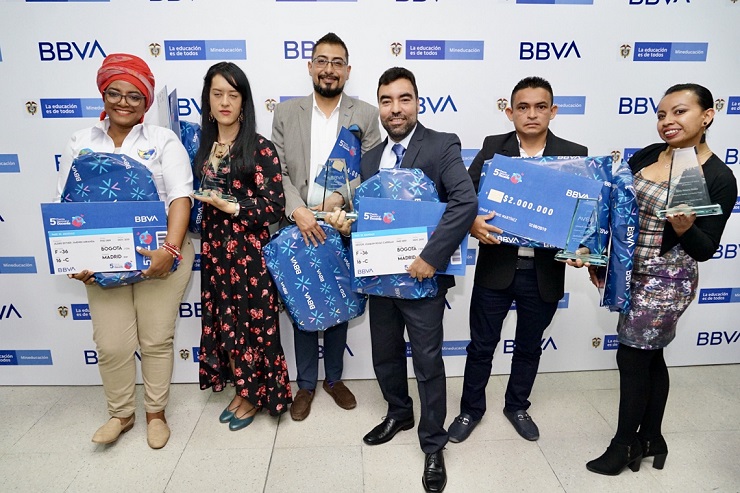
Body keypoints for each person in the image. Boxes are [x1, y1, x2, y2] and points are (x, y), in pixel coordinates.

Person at [329, 67, 477, 493]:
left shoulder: (442, 145)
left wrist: (431, 257)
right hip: (380, 279)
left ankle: (433, 444)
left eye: (404, 99)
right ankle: (399, 412)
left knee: (427, 363)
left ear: (417, 102)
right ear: (379, 106)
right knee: (386, 354)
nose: (395, 109)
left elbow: (464, 202)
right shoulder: (369, 159)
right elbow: (368, 219)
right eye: (387, 100)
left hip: (423, 280)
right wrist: (346, 225)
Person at [584, 83, 736, 475]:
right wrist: (595, 252)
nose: (668, 121)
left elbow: (705, 248)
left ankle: (624, 445)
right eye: (662, 114)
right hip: (629, 270)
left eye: (680, 112)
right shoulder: (650, 153)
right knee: (650, 356)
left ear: (707, 116)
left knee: (632, 356)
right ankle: (652, 437)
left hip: (667, 279)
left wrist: (685, 228)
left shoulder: (717, 175)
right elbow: (618, 208)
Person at [55, 53, 194, 449]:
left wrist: (170, 250)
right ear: (103, 94)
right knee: (112, 343)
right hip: (102, 260)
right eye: (115, 93)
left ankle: (155, 413)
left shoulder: (162, 140)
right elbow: (68, 202)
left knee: (155, 339)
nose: (123, 102)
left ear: (146, 102)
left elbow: (181, 197)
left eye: (134, 96)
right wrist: (73, 257)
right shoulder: (81, 141)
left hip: (160, 256)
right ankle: (121, 414)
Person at [448, 77, 588, 444]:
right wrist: (472, 222)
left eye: (540, 107)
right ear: (510, 113)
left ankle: (517, 406)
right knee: (481, 346)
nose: (532, 114)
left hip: (543, 273)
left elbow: (583, 215)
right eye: (523, 107)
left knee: (528, 347)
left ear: (553, 111)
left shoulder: (574, 154)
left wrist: (582, 248)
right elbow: (465, 196)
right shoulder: (494, 148)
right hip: (496, 268)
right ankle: (470, 409)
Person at [270, 32, 381, 421]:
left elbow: (371, 171)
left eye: (337, 63)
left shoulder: (366, 114)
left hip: (342, 223)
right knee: (303, 300)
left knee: (338, 301)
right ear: (310, 66)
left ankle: (334, 379)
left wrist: (338, 200)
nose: (329, 69)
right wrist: (298, 211)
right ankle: (305, 385)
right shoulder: (286, 113)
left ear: (347, 70)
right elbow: (277, 171)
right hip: (297, 224)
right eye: (322, 61)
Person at [194, 62, 292, 431]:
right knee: (226, 326)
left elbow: (274, 206)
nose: (224, 102)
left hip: (249, 256)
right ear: (207, 99)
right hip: (215, 253)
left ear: (243, 102)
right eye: (217, 94)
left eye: (232, 95)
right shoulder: (205, 147)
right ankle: (242, 389)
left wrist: (233, 206)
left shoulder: (261, 148)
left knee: (254, 328)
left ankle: (255, 397)